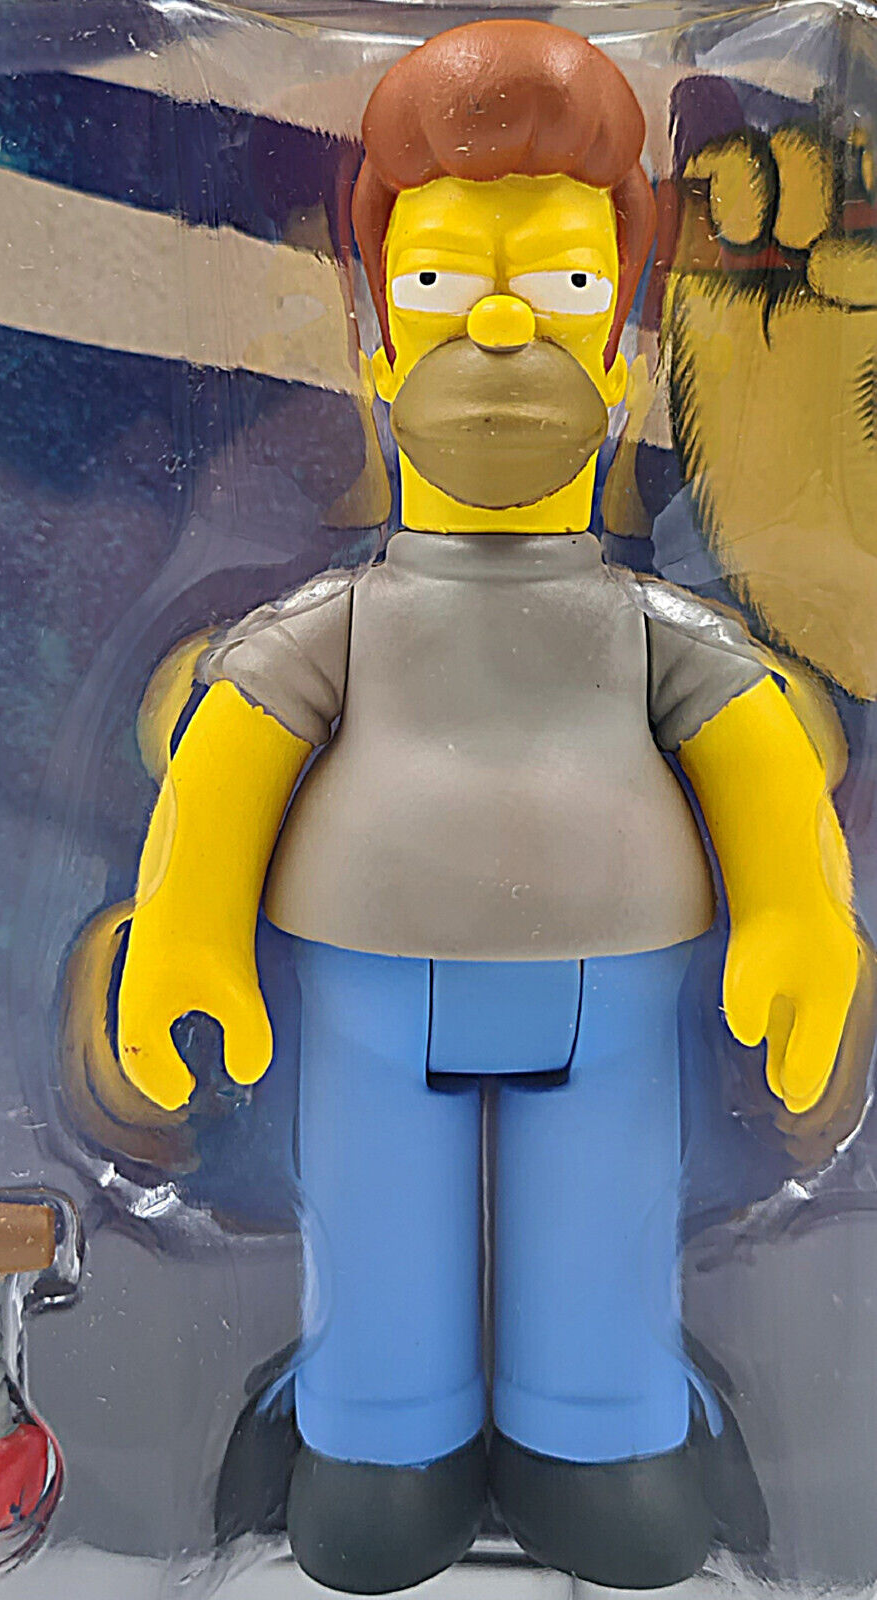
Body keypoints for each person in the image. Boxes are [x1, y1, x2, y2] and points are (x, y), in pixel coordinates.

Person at [116, 20, 859, 1593]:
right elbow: (232, 743)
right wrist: (184, 936)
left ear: (622, 350)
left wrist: (799, 920)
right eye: (449, 282)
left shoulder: (656, 633)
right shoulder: (338, 624)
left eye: (566, 283)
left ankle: (603, 1441)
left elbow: (755, 745)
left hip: (614, 997)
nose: (506, 325)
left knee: (604, 1224)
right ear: (380, 340)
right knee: (378, 1223)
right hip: (372, 997)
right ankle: (380, 1445)